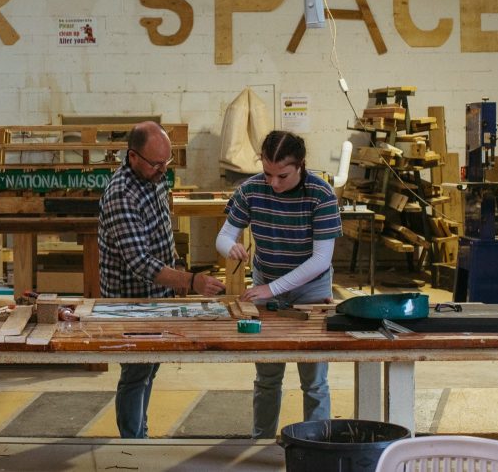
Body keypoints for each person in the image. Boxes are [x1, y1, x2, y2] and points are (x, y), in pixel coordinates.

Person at [98, 120, 225, 438]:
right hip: (129, 300)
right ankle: (133, 442)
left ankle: (139, 430)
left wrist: (177, 268)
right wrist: (191, 282)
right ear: (133, 157)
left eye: (167, 162)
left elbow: (162, 231)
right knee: (136, 370)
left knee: (150, 366)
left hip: (157, 295)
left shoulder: (153, 176)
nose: (163, 169)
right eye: (157, 163)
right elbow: (140, 262)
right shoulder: (121, 195)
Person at [216, 130, 342, 439]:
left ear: (300, 165)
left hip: (310, 290)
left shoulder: (321, 194)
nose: (273, 183)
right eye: (267, 173)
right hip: (266, 281)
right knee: (268, 375)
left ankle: (317, 443)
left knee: (313, 379)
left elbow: (321, 259)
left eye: (282, 175)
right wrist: (229, 247)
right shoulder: (251, 189)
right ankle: (262, 440)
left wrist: (272, 290)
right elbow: (223, 235)